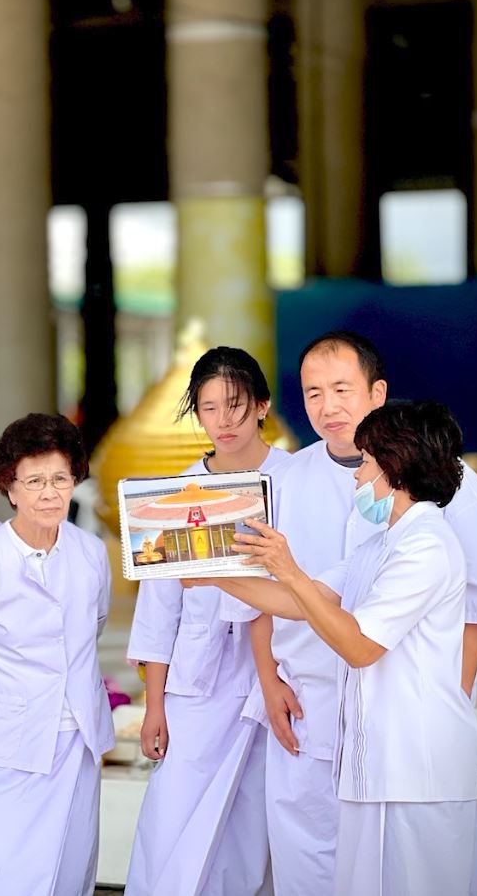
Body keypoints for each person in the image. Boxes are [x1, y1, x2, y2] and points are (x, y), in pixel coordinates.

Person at [226, 331, 477, 895]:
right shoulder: (353, 526)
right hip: (327, 717)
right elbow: (296, 596)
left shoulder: (443, 517)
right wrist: (206, 572)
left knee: (422, 875)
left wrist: (440, 710)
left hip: (411, 733)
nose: (327, 405)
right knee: (337, 873)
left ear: (378, 392)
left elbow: (470, 617)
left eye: (341, 388)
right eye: (313, 392)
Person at [199, 401, 477, 896]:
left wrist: (288, 568)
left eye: (367, 462)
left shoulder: (427, 546)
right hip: (376, 763)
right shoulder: (378, 545)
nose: (356, 477)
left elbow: (359, 646)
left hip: (417, 766)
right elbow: (295, 600)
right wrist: (205, 570)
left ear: (395, 467)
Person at [124, 347, 285, 896]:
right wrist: (154, 706)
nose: (223, 421)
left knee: (256, 824)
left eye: (236, 405)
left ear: (262, 406)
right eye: (209, 407)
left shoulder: (296, 477)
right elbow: (157, 608)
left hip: (279, 673)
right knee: (172, 817)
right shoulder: (175, 493)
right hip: (198, 678)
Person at [0, 413, 115, 895]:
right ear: (10, 488)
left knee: (66, 865)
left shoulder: (91, 552)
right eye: (34, 481)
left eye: (60, 479)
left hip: (72, 733)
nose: (49, 493)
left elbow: (92, 625)